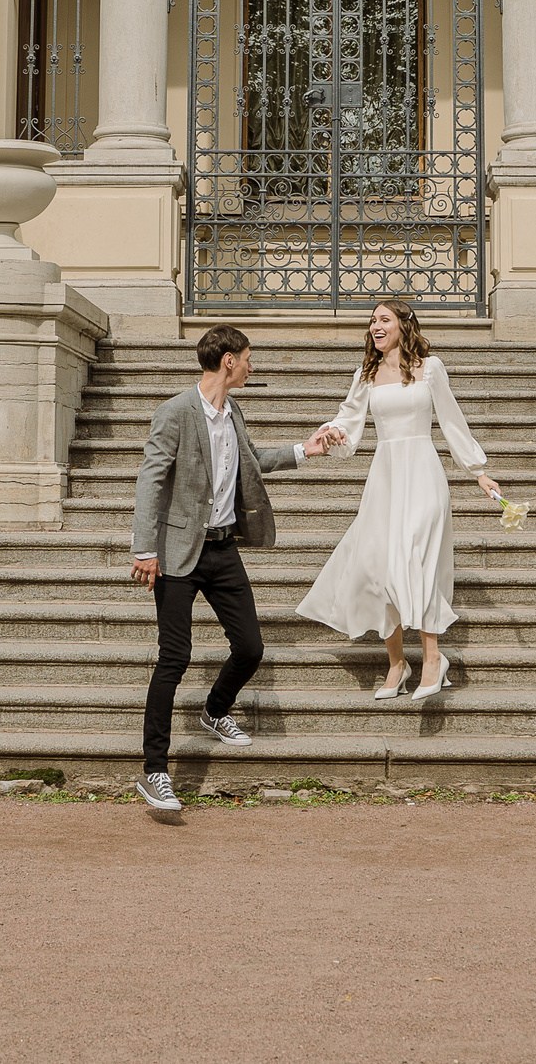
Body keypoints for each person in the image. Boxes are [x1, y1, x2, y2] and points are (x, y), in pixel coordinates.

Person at [129, 324, 341, 817]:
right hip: (180, 551)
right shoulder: (176, 412)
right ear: (228, 360)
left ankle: (215, 711)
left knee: (250, 647)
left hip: (223, 550)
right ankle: (154, 771)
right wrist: (144, 547)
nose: (252, 365)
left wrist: (302, 451)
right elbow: (150, 480)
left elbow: (251, 461)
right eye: (248, 357)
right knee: (174, 659)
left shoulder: (232, 412)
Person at [295, 300, 500, 700]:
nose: (375, 325)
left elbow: (452, 420)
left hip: (423, 474)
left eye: (383, 319)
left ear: (404, 326)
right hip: (385, 477)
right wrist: (334, 433)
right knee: (379, 569)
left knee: (414, 559)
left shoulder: (431, 367)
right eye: (371, 319)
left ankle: (433, 658)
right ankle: (397, 664)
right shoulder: (366, 375)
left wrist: (478, 470)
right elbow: (347, 423)